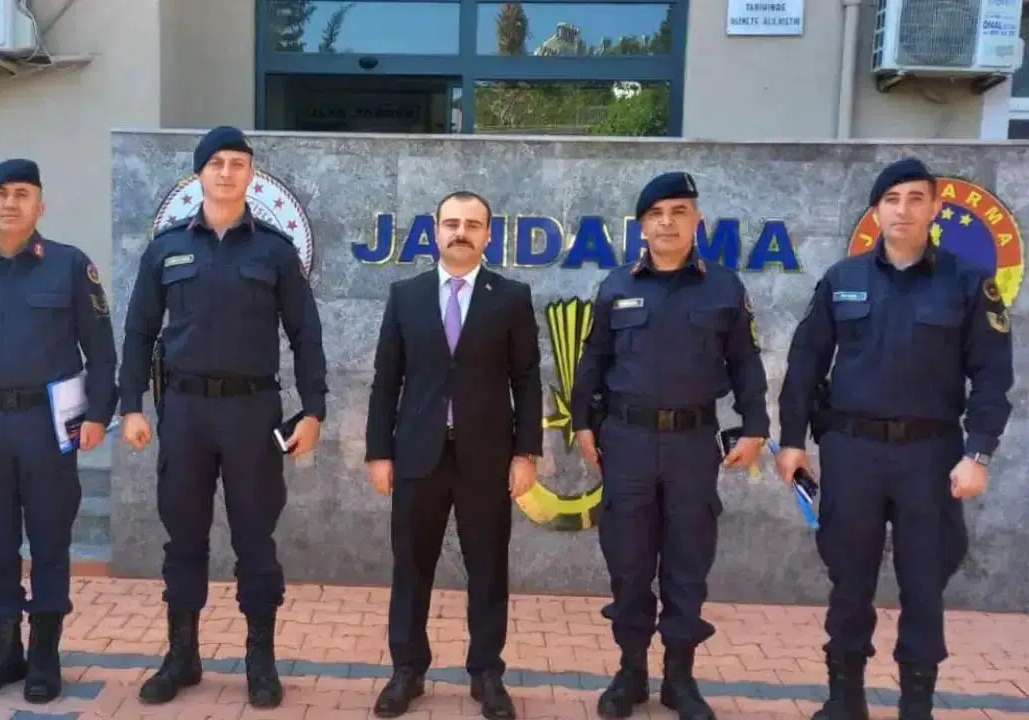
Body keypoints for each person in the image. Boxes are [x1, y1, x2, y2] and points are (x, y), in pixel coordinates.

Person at [776, 157, 1013, 720]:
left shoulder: (967, 283)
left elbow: (992, 376)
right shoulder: (842, 280)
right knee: (848, 581)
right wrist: (791, 441)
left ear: (935, 208)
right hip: (851, 453)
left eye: (914, 199)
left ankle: (916, 705)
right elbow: (805, 364)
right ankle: (845, 699)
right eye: (891, 200)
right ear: (876, 211)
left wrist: (978, 453)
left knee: (924, 584)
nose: (902, 210)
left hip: (929, 457)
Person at [119, 126, 328, 709]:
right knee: (183, 536)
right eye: (217, 163)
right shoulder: (165, 249)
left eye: (239, 163)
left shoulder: (275, 251)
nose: (228, 172)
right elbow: (138, 331)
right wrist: (130, 404)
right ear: (199, 175)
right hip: (184, 411)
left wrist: (314, 409)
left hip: (252, 412)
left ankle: (260, 660)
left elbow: (306, 335)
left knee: (255, 537)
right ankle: (181, 656)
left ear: (251, 176)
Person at [570, 171, 769, 720]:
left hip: (692, 444)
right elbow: (594, 360)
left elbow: (745, 362)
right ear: (641, 226)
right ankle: (630, 673)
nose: (667, 223)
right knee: (629, 561)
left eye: (679, 211)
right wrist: (583, 423)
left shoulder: (723, 287)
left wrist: (755, 426)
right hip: (627, 442)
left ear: (696, 221)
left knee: (687, 562)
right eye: (656, 214)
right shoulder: (616, 286)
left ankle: (680, 679)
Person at [0, 158, 118, 705]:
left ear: (41, 205)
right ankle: (2, 650)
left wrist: (98, 416)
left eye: (21, 193)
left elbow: (101, 351)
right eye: (0, 195)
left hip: (47, 424)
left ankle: (44, 653)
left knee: (50, 538)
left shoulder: (69, 266)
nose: (10, 203)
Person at [365, 190, 542, 720]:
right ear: (436, 230)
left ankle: (487, 674)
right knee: (410, 567)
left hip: (486, 458)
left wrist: (526, 452)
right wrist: (379, 452)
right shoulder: (406, 295)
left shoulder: (511, 297)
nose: (460, 232)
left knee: (487, 568)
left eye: (472, 224)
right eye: (451, 223)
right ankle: (407, 671)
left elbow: (527, 380)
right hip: (417, 456)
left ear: (488, 235)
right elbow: (386, 380)